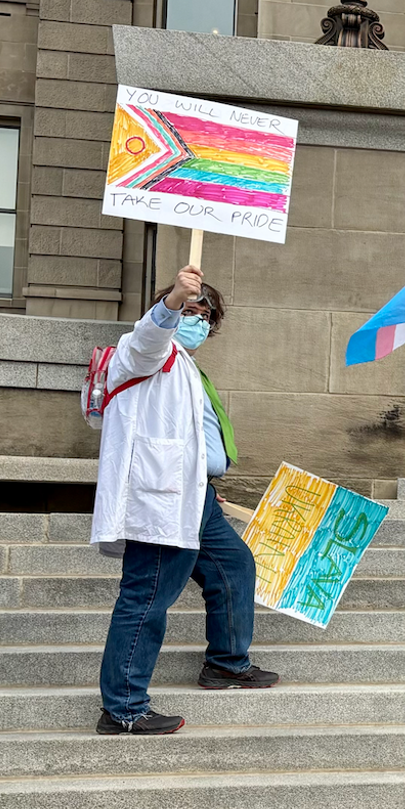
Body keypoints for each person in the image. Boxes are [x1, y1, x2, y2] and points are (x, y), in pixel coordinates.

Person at [91, 264, 277, 735]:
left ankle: (226, 663)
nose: (196, 317)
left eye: (204, 313)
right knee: (147, 596)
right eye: (189, 310)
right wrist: (173, 300)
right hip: (161, 500)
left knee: (233, 565)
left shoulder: (188, 366)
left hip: (198, 498)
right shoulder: (144, 352)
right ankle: (124, 709)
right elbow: (147, 339)